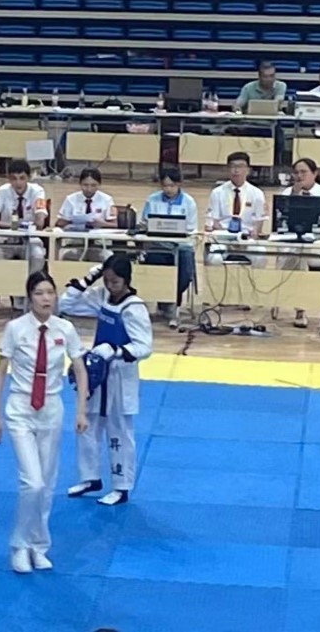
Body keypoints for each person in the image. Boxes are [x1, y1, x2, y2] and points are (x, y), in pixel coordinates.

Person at [0, 272, 90, 574]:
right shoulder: (16, 329)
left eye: (50, 292)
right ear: (29, 297)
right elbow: (0, 372)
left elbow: (80, 369)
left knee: (47, 483)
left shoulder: (65, 329)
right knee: (31, 482)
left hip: (51, 408)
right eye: (39, 293)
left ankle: (39, 544)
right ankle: (19, 544)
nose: (46, 298)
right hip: (21, 408)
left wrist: (81, 411)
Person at [60, 255, 153, 506]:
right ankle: (90, 477)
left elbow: (145, 346)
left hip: (120, 377)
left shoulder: (134, 308)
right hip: (97, 373)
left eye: (116, 282)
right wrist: (88, 278)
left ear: (127, 280)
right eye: (107, 280)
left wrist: (117, 350)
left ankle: (121, 487)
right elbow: (65, 303)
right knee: (86, 425)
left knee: (118, 432)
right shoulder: (102, 297)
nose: (111, 286)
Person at [278, 158, 320, 328]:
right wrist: (294, 196)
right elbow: (280, 221)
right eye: (296, 172)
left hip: (316, 245)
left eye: (303, 172)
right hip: (291, 244)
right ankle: (300, 308)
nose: (299, 176)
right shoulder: (287, 193)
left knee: (305, 257)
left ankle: (311, 306)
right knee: (297, 258)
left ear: (314, 174)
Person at [0, 159, 48, 309]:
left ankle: (26, 293)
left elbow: (40, 222)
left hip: (30, 240)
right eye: (13, 178)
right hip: (7, 241)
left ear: (29, 177)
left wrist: (3, 224)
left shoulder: (38, 191)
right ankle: (12, 290)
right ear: (8, 179)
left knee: (38, 256)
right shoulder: (3, 191)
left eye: (22, 178)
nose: (18, 183)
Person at [139, 167, 198, 328]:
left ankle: (172, 303)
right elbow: (144, 223)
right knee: (155, 268)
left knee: (185, 273)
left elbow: (192, 228)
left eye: (172, 185)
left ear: (179, 184)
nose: (168, 189)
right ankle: (163, 300)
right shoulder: (152, 200)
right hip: (158, 245)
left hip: (182, 246)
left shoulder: (189, 202)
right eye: (165, 186)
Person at [205, 152, 267, 267]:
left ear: (248, 170)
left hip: (246, 239)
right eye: (233, 166)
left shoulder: (257, 194)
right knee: (214, 257)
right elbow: (213, 222)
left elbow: (258, 223)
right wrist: (228, 237)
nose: (236, 170)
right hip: (223, 238)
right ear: (227, 169)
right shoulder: (217, 192)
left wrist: (251, 235)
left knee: (260, 254)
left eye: (240, 166)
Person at [55, 167, 117, 262]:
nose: (89, 189)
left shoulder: (107, 200)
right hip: (75, 241)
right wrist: (70, 221)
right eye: (85, 185)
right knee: (67, 256)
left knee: (108, 258)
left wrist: (102, 223)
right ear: (80, 183)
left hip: (99, 242)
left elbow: (115, 224)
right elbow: (59, 223)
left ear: (99, 184)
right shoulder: (70, 199)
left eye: (93, 185)